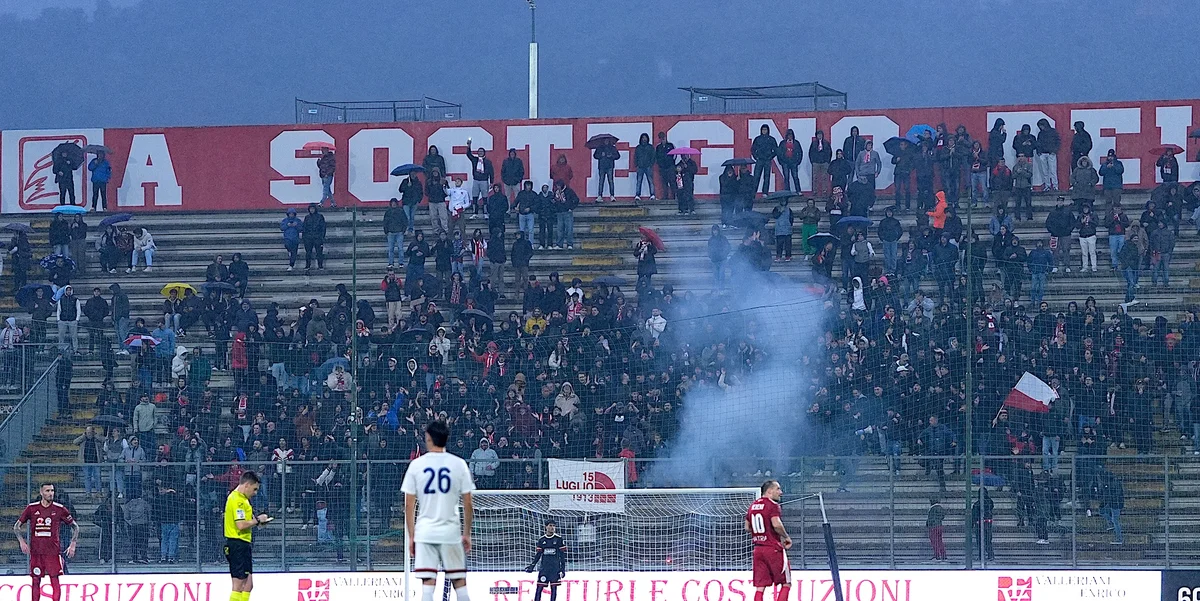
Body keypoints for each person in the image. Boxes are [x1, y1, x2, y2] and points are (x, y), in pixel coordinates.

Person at [401, 421, 476, 601]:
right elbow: (468, 504)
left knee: (427, 584)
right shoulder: (458, 464)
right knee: (459, 582)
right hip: (450, 531)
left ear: (428, 439)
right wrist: (466, 534)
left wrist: (412, 537)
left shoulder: (416, 465)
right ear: (447, 439)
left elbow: (409, 505)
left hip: (425, 532)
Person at [14, 483, 78, 601]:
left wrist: (73, 544)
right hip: (36, 552)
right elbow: (17, 526)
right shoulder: (32, 508)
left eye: (52, 491)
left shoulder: (59, 509)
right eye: (47, 491)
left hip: (53, 552)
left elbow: (75, 527)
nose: (50, 493)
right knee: (35, 580)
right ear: (41, 492)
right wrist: (22, 542)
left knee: (55, 580)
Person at [224, 471, 272, 601]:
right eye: (254, 489)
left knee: (248, 584)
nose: (255, 493)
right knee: (239, 584)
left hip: (244, 543)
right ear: (246, 485)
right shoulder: (237, 500)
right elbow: (240, 525)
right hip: (237, 544)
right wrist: (257, 519)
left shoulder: (243, 499)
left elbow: (247, 521)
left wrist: (259, 523)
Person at [745, 480, 792, 601]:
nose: (780, 492)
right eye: (778, 489)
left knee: (760, 587)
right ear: (769, 491)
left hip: (758, 550)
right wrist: (786, 537)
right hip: (772, 548)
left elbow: (747, 527)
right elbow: (776, 524)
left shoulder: (752, 506)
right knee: (786, 582)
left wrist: (760, 533)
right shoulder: (772, 505)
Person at [525, 520, 567, 601]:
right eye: (550, 525)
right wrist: (532, 566)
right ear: (546, 527)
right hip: (544, 569)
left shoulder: (559, 539)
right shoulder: (541, 540)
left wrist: (563, 569)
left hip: (555, 569)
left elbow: (562, 556)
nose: (552, 528)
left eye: (554, 526)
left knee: (554, 589)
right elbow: (538, 555)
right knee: (539, 588)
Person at [466, 142, 494, 216]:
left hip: (484, 181)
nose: (480, 153)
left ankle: (485, 212)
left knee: (485, 197)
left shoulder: (488, 162)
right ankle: (475, 213)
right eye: (479, 152)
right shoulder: (475, 160)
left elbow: (491, 172)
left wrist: (491, 182)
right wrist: (469, 146)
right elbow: (469, 155)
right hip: (476, 180)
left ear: (484, 153)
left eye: (481, 151)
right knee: (475, 196)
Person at [751, 124, 778, 197]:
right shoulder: (757, 139)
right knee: (756, 177)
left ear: (768, 130)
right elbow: (753, 149)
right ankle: (753, 193)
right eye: (763, 130)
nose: (764, 131)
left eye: (765, 130)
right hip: (759, 160)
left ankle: (765, 192)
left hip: (767, 160)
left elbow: (776, 150)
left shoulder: (771, 139)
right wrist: (756, 157)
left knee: (766, 177)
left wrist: (771, 157)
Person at [1035, 118, 1060, 191]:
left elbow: (1058, 141)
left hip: (1051, 154)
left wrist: (1054, 151)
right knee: (1044, 171)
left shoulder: (1053, 132)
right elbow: (1038, 143)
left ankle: (1055, 186)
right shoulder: (1040, 133)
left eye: (1041, 126)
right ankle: (1047, 186)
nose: (1040, 127)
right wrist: (1038, 152)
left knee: (1053, 171)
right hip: (1042, 154)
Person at [1149, 220, 1175, 287]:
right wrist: (1152, 251)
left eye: (1161, 223)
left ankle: (1166, 282)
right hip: (1157, 253)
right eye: (1159, 223)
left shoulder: (1169, 233)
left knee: (1166, 269)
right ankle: (1154, 282)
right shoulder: (1154, 232)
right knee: (1155, 268)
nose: (1160, 224)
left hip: (1166, 253)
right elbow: (1151, 242)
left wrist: (1169, 252)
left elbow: (1172, 243)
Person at [56, 285, 81, 354]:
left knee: (74, 336)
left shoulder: (75, 299)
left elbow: (78, 310)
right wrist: (58, 319)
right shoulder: (61, 299)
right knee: (61, 336)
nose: (68, 291)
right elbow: (59, 310)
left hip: (72, 320)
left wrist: (77, 319)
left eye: (69, 290)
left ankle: (75, 349)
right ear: (65, 291)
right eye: (67, 290)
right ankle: (61, 349)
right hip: (63, 320)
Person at [384, 198, 409, 268]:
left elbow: (405, 221)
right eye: (392, 203)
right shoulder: (388, 212)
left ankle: (401, 263)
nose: (393, 204)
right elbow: (385, 222)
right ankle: (391, 263)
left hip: (399, 232)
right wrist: (386, 231)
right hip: (391, 233)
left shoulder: (401, 211)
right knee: (391, 249)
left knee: (400, 248)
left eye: (395, 203)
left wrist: (403, 231)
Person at [971, 488, 995, 561]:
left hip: (982, 524)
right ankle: (988, 555)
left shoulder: (978, 504)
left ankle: (985, 556)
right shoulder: (989, 502)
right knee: (985, 540)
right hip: (985, 524)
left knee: (983, 541)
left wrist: (973, 524)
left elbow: (974, 515)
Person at [553, 182, 578, 250]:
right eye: (557, 186)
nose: (557, 187)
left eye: (558, 186)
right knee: (559, 230)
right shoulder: (556, 192)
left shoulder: (569, 191)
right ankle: (559, 244)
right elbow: (554, 201)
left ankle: (570, 244)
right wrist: (556, 208)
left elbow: (576, 200)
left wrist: (571, 208)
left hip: (567, 213)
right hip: (559, 213)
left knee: (569, 230)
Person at [302, 204, 326, 275]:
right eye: (310, 209)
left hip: (318, 238)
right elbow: (304, 228)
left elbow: (323, 228)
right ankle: (307, 265)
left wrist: (322, 237)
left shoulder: (320, 217)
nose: (312, 210)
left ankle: (320, 265)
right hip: (308, 238)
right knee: (308, 253)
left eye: (313, 209)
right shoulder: (307, 217)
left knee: (319, 253)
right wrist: (304, 237)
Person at [426, 169, 450, 237]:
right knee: (433, 217)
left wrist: (444, 185)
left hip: (441, 201)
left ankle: (445, 230)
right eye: (434, 172)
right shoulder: (429, 181)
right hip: (432, 201)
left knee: (443, 216)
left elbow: (447, 191)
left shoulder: (443, 181)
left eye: (436, 172)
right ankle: (436, 230)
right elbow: (426, 191)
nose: (435, 173)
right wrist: (431, 195)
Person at [809, 130, 832, 198]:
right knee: (815, 177)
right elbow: (810, 153)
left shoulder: (826, 143)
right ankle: (815, 191)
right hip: (816, 163)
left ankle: (824, 191)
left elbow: (829, 152)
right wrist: (813, 161)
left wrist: (827, 161)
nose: (819, 136)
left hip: (824, 163)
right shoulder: (813, 143)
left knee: (825, 177)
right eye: (818, 135)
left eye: (820, 134)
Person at [771, 196, 795, 262]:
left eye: (784, 201)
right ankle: (778, 256)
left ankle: (788, 256)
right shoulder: (776, 208)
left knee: (788, 244)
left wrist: (790, 225)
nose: (783, 202)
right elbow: (775, 216)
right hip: (779, 229)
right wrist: (780, 211)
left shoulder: (789, 209)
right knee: (779, 244)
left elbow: (791, 218)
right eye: (782, 201)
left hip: (787, 228)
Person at [633, 133, 656, 201]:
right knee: (639, 181)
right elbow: (636, 157)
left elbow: (653, 156)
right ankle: (637, 195)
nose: (644, 139)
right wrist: (636, 164)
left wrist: (651, 164)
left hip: (648, 166)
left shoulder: (650, 147)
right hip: (640, 167)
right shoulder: (638, 147)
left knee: (650, 181)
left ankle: (652, 195)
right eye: (643, 138)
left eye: (645, 138)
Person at [654, 132, 676, 201]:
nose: (663, 139)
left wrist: (672, 163)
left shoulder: (671, 145)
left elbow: (674, 155)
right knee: (664, 183)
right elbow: (656, 156)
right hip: (662, 167)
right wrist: (660, 164)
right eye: (661, 138)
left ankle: (674, 196)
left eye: (663, 137)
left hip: (670, 167)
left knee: (672, 182)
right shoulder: (658, 147)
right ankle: (665, 196)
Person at [1076, 205, 1098, 272]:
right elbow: (1077, 226)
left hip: (1091, 235)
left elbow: (1096, 224)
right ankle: (1085, 267)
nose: (1085, 209)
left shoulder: (1093, 215)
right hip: (1082, 236)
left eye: (1086, 208)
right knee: (1084, 253)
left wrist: (1090, 220)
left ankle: (1094, 267)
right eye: (1084, 208)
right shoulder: (1080, 216)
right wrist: (1082, 222)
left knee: (1092, 252)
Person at [1012, 154, 1034, 220]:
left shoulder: (1029, 165)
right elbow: (1013, 176)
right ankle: (1017, 217)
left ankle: (1029, 217)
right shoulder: (1015, 167)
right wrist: (1017, 173)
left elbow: (1029, 175)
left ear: (1025, 157)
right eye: (1019, 156)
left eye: (1022, 156)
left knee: (1028, 203)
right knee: (1017, 203)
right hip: (1018, 187)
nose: (1020, 158)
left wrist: (1022, 172)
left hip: (1026, 186)